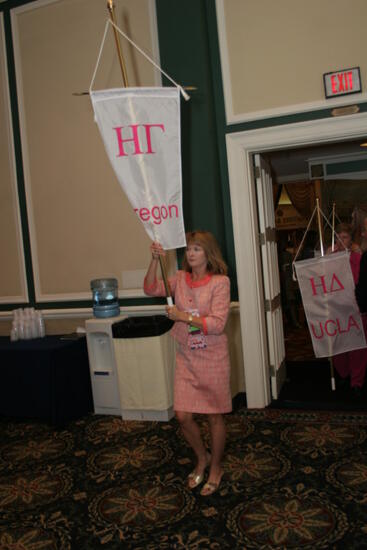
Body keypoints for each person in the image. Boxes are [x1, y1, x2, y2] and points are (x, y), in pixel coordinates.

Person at [144, 231, 231, 496]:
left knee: (214, 415)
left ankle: (215, 467)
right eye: (189, 249)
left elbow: (217, 325)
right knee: (182, 415)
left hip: (213, 357)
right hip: (187, 356)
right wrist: (153, 260)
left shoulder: (220, 282)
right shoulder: (180, 280)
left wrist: (182, 316)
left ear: (208, 254)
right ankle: (201, 457)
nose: (191, 253)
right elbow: (150, 289)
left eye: (197, 249)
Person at [327, 223, 366, 396]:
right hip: (336, 307)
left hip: (354, 305)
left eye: (345, 237)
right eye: (338, 237)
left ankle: (357, 380)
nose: (341, 241)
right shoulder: (329, 256)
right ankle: (344, 373)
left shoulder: (357, 256)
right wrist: (325, 258)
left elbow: (360, 281)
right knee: (339, 344)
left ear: (351, 240)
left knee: (357, 346)